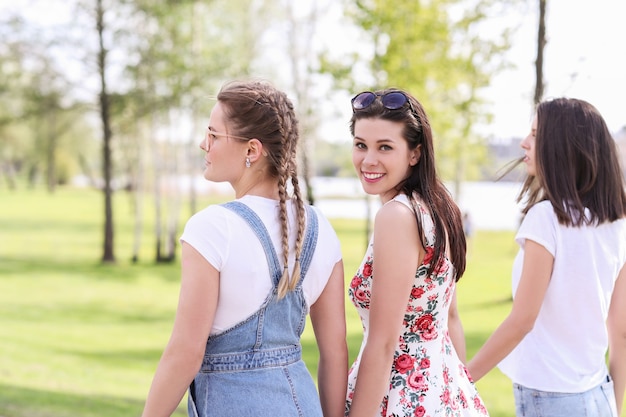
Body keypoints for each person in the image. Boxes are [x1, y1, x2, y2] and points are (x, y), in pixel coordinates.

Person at [141, 80, 348, 417]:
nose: (202, 144)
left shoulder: (212, 227)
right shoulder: (320, 226)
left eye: (213, 135)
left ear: (252, 150)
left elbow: (185, 352)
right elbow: (335, 351)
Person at [467, 97, 626, 417]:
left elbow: (522, 320)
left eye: (536, 134)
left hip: (553, 397)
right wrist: (614, 404)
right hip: (598, 395)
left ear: (562, 146)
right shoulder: (617, 224)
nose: (524, 143)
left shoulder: (547, 218)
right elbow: (620, 329)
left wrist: (461, 379)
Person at [344, 88, 489, 416]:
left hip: (401, 398)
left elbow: (383, 345)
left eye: (385, 147)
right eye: (360, 144)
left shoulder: (396, 216)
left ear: (415, 153)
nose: (368, 159)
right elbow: (450, 319)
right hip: (444, 392)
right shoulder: (438, 208)